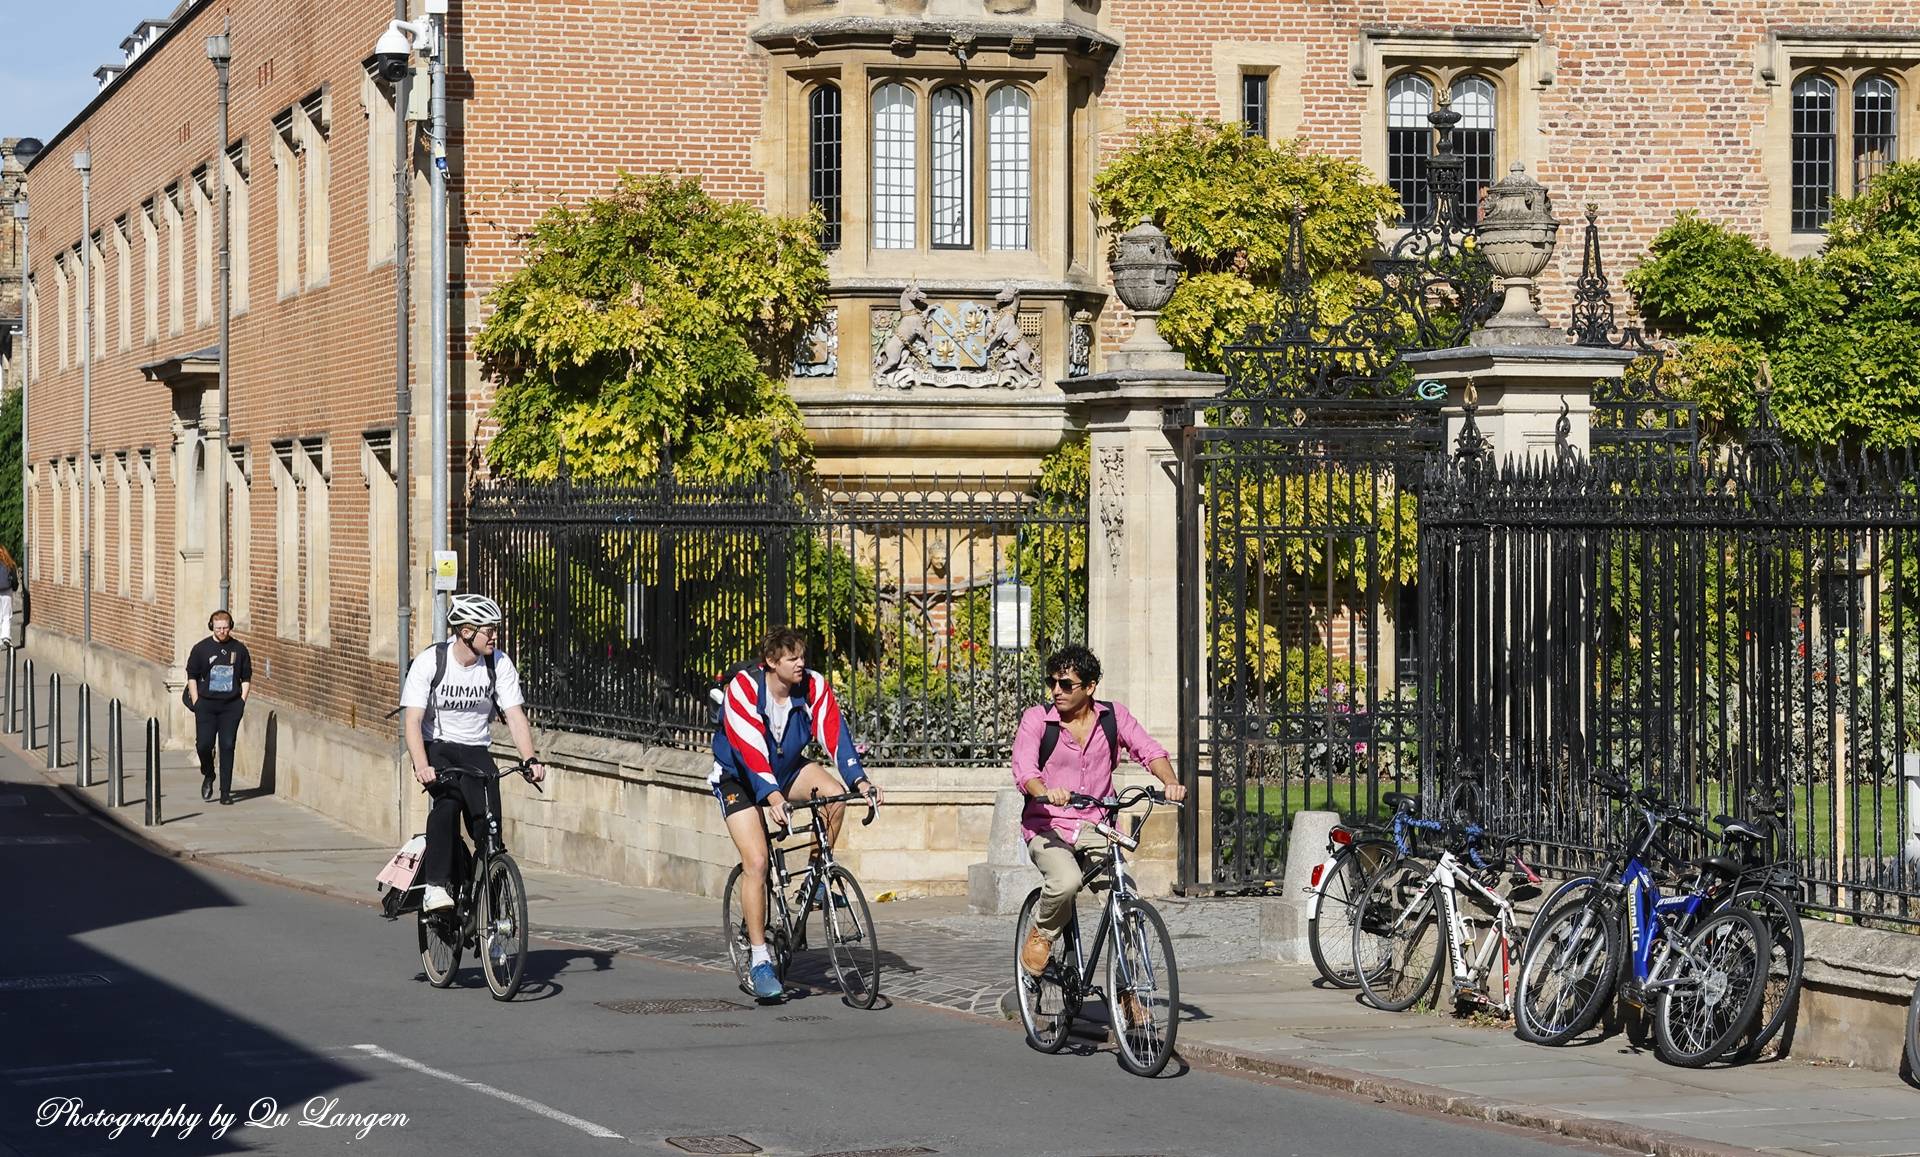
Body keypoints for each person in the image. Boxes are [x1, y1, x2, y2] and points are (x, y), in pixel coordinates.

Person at [712, 627, 880, 1000]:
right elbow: (751, 752)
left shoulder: (812, 687)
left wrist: (861, 782)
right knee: (756, 862)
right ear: (771, 662)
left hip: (786, 770)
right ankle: (759, 960)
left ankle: (814, 881)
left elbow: (836, 735)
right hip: (738, 778)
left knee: (835, 796)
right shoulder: (742, 689)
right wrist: (771, 798)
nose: (801, 663)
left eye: (802, 656)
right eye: (792, 658)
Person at [1012, 644, 1186, 982]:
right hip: (1049, 826)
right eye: (1052, 683)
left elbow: (1148, 750)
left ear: (1090, 687)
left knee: (1128, 906)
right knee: (1066, 882)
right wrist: (1046, 792)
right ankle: (1043, 933)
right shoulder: (1038, 720)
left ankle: (1128, 993)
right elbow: (1025, 772)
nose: (1056, 691)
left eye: (1066, 684)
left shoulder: (1113, 717)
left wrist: (1170, 782)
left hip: (1098, 826)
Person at [401, 593, 546, 913]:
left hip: (477, 750)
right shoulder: (431, 662)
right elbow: (412, 720)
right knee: (448, 806)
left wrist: (530, 758)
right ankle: (436, 887)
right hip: (439, 747)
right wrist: (422, 766)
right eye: (488, 629)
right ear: (466, 632)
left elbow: (515, 715)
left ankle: (493, 912)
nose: (494, 635)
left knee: (489, 827)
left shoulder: (498, 664)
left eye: (495, 628)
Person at [186, 610, 253, 805]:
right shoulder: (201, 649)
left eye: (225, 627)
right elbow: (192, 675)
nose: (222, 631)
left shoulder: (239, 649)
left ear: (230, 626)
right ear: (211, 627)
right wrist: (197, 700)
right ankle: (208, 773)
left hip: (231, 706)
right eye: (218, 628)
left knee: (227, 745)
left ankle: (225, 792)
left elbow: (246, 677)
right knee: (204, 745)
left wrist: (242, 701)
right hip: (206, 705)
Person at [0, 545, 18, 647]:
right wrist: (14, 588)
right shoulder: (10, 564)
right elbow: (14, 580)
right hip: (7, 592)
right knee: (7, 615)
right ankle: (5, 637)